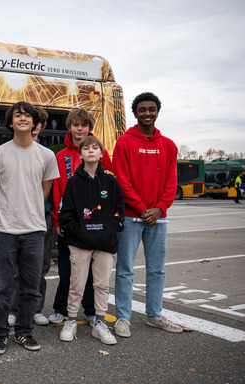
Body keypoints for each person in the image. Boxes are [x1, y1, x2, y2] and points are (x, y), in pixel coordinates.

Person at [0, 101, 59, 355]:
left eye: (28, 115)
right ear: (10, 122)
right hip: (4, 231)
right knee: (2, 288)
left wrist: (27, 209)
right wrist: (8, 210)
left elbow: (44, 191)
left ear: (35, 123)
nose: (23, 118)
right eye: (18, 115)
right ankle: (0, 334)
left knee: (30, 287)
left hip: (35, 231)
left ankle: (24, 332)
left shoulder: (46, 156)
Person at [112, 92, 183, 337]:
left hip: (158, 219)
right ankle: (122, 318)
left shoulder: (169, 146)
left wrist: (159, 208)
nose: (147, 113)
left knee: (156, 270)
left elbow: (171, 184)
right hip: (132, 218)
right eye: (142, 109)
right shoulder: (124, 143)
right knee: (125, 270)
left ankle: (154, 315)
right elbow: (122, 181)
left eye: (151, 109)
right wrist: (143, 209)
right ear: (135, 113)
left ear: (157, 112)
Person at [58, 136, 124, 345]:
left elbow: (119, 210)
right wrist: (77, 232)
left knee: (102, 285)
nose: (91, 151)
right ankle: (71, 320)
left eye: (95, 147)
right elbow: (66, 214)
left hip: (105, 243)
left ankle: (100, 323)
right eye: (86, 148)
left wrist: (112, 229)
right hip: (80, 244)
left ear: (102, 154)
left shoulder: (111, 181)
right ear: (80, 154)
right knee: (76, 284)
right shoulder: (73, 183)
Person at [50, 108, 112, 325]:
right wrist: (58, 221)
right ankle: (61, 308)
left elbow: (110, 187)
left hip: (94, 222)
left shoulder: (100, 153)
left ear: (89, 128)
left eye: (84, 125)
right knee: (67, 269)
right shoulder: (60, 156)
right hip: (69, 222)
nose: (79, 128)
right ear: (69, 127)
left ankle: (90, 310)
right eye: (76, 124)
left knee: (92, 271)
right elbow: (56, 190)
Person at [8, 110, 53, 327]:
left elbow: (50, 186)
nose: (34, 127)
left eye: (38, 124)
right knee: (17, 267)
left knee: (40, 266)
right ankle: (14, 309)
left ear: (40, 126)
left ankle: (36, 308)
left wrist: (37, 206)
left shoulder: (46, 153)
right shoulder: (12, 149)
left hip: (42, 215)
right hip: (17, 216)